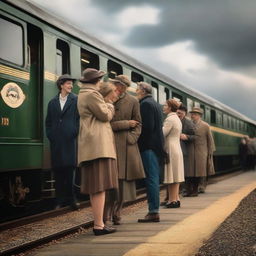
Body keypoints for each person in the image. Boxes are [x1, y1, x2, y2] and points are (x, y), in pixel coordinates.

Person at [77, 68, 118, 236]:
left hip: (91, 145)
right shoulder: (92, 95)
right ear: (95, 81)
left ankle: (99, 224)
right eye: (100, 80)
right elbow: (105, 115)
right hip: (98, 146)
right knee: (100, 187)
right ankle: (99, 225)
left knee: (96, 187)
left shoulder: (83, 93)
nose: (101, 83)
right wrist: (109, 104)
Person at [103, 75, 145, 225]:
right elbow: (107, 123)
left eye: (120, 86)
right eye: (116, 85)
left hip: (126, 146)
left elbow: (138, 123)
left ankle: (117, 211)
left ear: (125, 87)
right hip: (109, 143)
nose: (117, 88)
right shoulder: (106, 97)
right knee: (110, 181)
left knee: (122, 183)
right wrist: (127, 124)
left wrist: (132, 139)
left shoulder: (133, 101)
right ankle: (106, 214)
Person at [45, 74, 80, 210]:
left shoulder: (75, 100)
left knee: (70, 171)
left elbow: (79, 119)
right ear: (61, 85)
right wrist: (51, 135)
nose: (71, 86)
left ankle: (72, 200)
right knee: (58, 171)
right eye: (68, 84)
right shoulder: (52, 102)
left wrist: (74, 131)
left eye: (71, 84)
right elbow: (48, 122)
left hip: (70, 140)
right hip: (57, 142)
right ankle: (59, 201)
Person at [136, 82, 164, 222]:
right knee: (153, 178)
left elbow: (147, 127)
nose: (136, 91)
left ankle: (153, 211)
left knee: (151, 179)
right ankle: (153, 210)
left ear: (143, 91)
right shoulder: (155, 104)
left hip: (148, 147)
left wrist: (138, 141)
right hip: (154, 146)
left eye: (137, 89)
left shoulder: (145, 104)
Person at [187, 107, 216, 196]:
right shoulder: (189, 124)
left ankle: (197, 189)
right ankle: (191, 190)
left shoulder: (205, 126)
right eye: (192, 114)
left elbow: (210, 139)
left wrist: (210, 152)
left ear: (199, 116)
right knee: (190, 171)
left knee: (200, 172)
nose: (192, 116)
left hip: (202, 152)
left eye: (195, 114)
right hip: (190, 151)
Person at [162, 99, 184, 208]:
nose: (163, 106)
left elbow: (163, 133)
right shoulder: (177, 118)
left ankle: (172, 200)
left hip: (170, 148)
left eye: (165, 105)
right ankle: (175, 199)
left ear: (170, 107)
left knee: (172, 176)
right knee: (175, 176)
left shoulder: (170, 119)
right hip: (176, 148)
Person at [177, 104, 196, 196]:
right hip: (175, 149)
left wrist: (187, 137)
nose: (178, 114)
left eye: (180, 113)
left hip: (184, 150)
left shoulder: (189, 123)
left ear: (184, 113)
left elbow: (195, 136)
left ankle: (186, 190)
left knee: (185, 172)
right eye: (177, 113)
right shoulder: (174, 120)